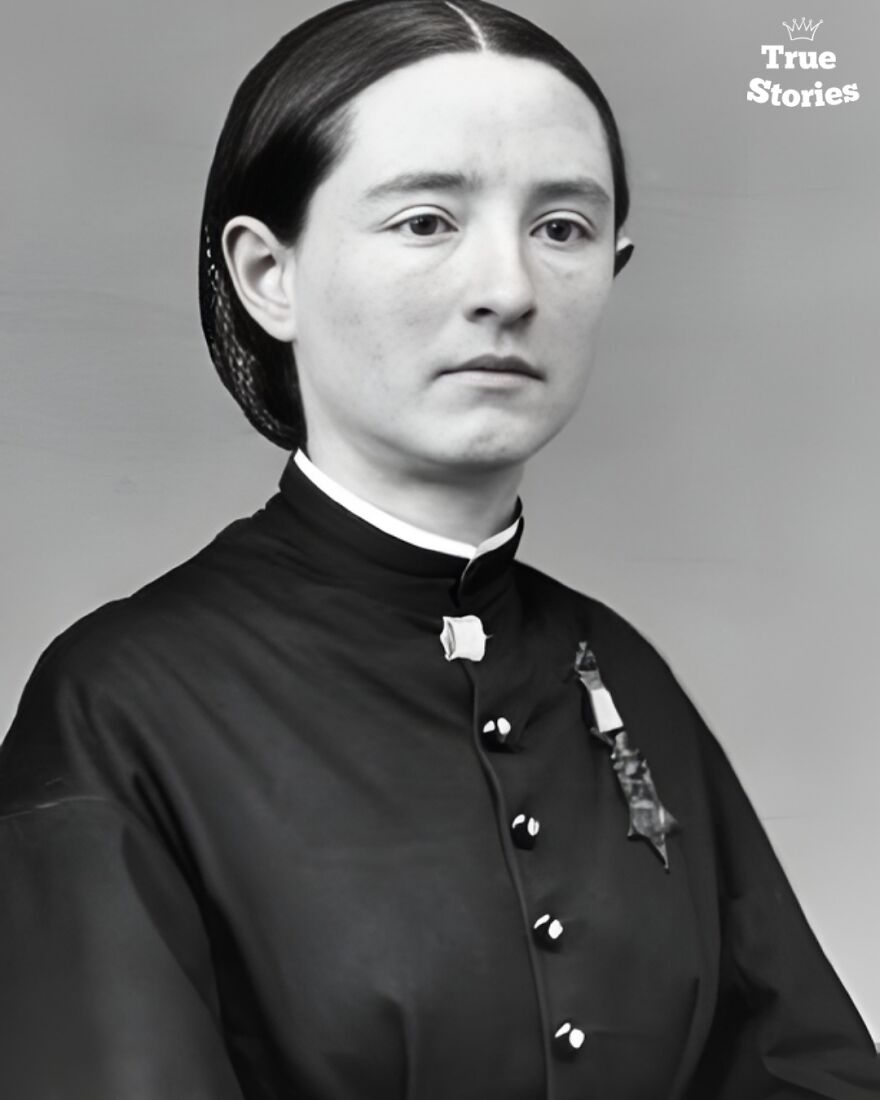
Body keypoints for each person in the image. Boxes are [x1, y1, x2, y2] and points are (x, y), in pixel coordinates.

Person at [0, 1, 877, 1097]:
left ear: (614, 264)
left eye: (560, 227)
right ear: (269, 275)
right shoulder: (119, 704)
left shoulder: (620, 672)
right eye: (425, 221)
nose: (507, 290)